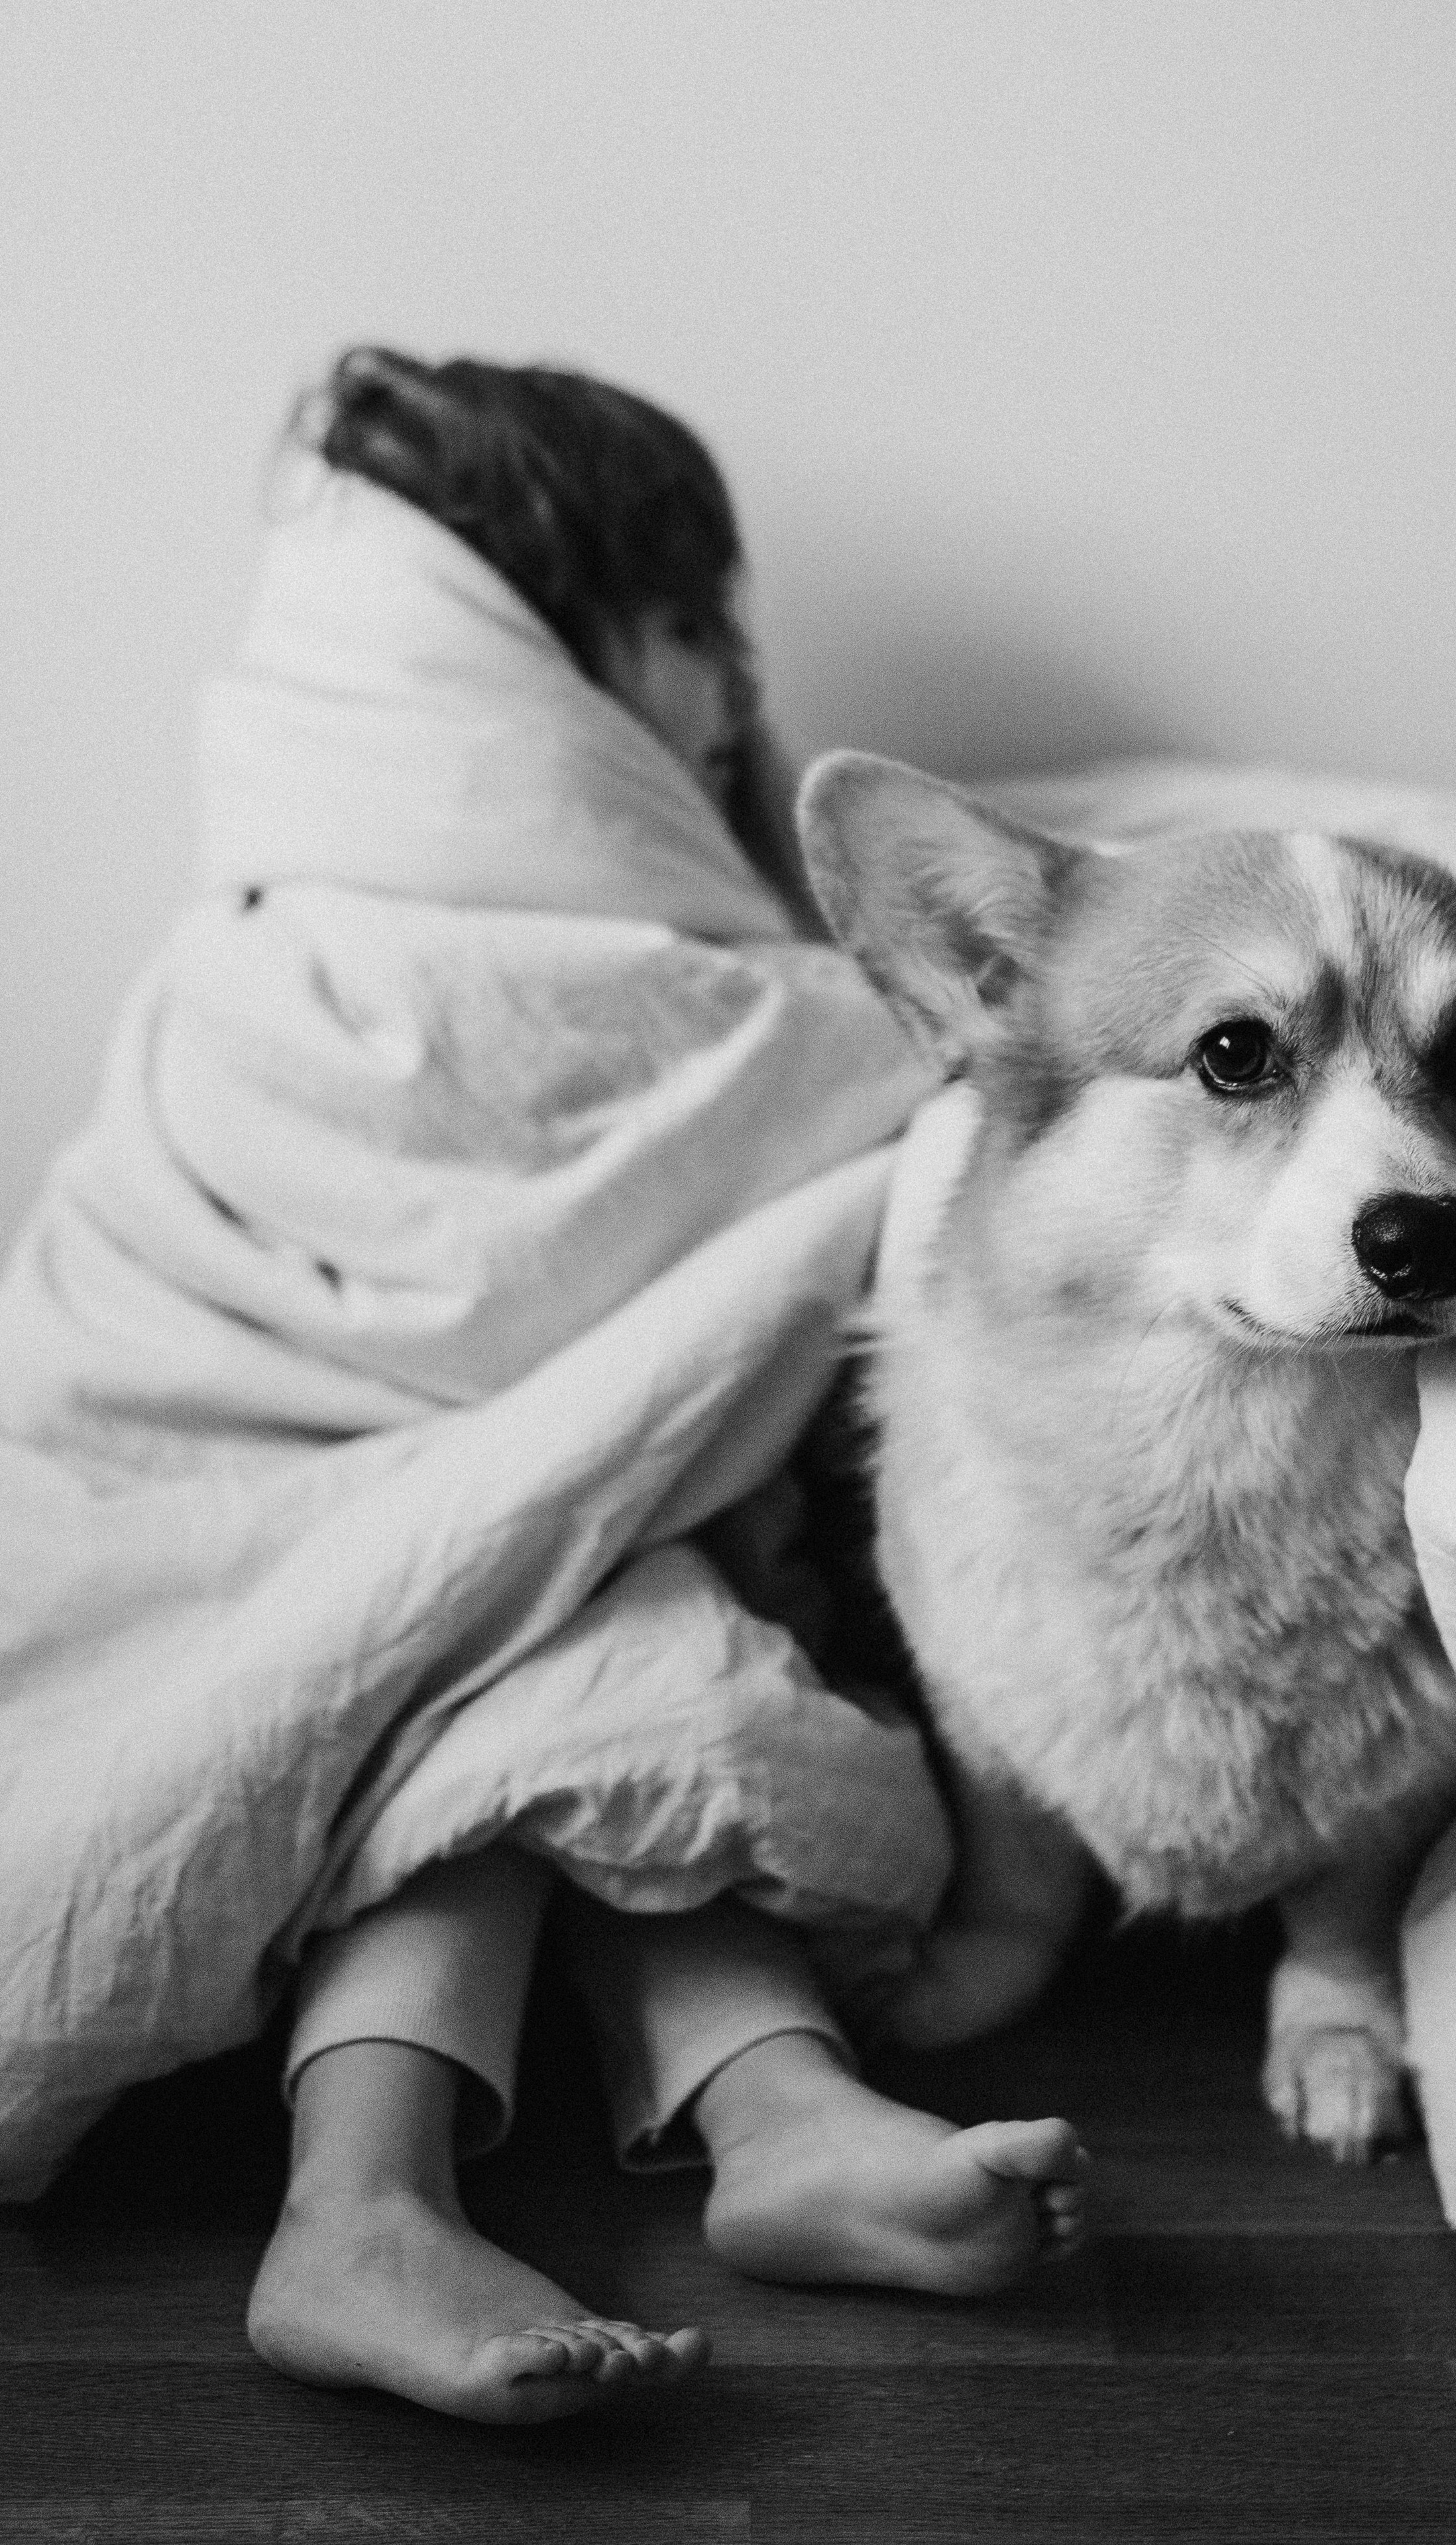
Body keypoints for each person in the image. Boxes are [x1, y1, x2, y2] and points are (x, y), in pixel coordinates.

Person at [209, 350, 1089, 2422]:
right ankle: (370, 2201)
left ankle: (776, 2128)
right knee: (521, 1640)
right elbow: (846, 1106)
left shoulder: (712, 946)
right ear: (515, 664)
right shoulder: (301, 957)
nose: (725, 700)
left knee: (606, 1628)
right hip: (256, 1463)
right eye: (692, 631)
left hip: (573, 1523)